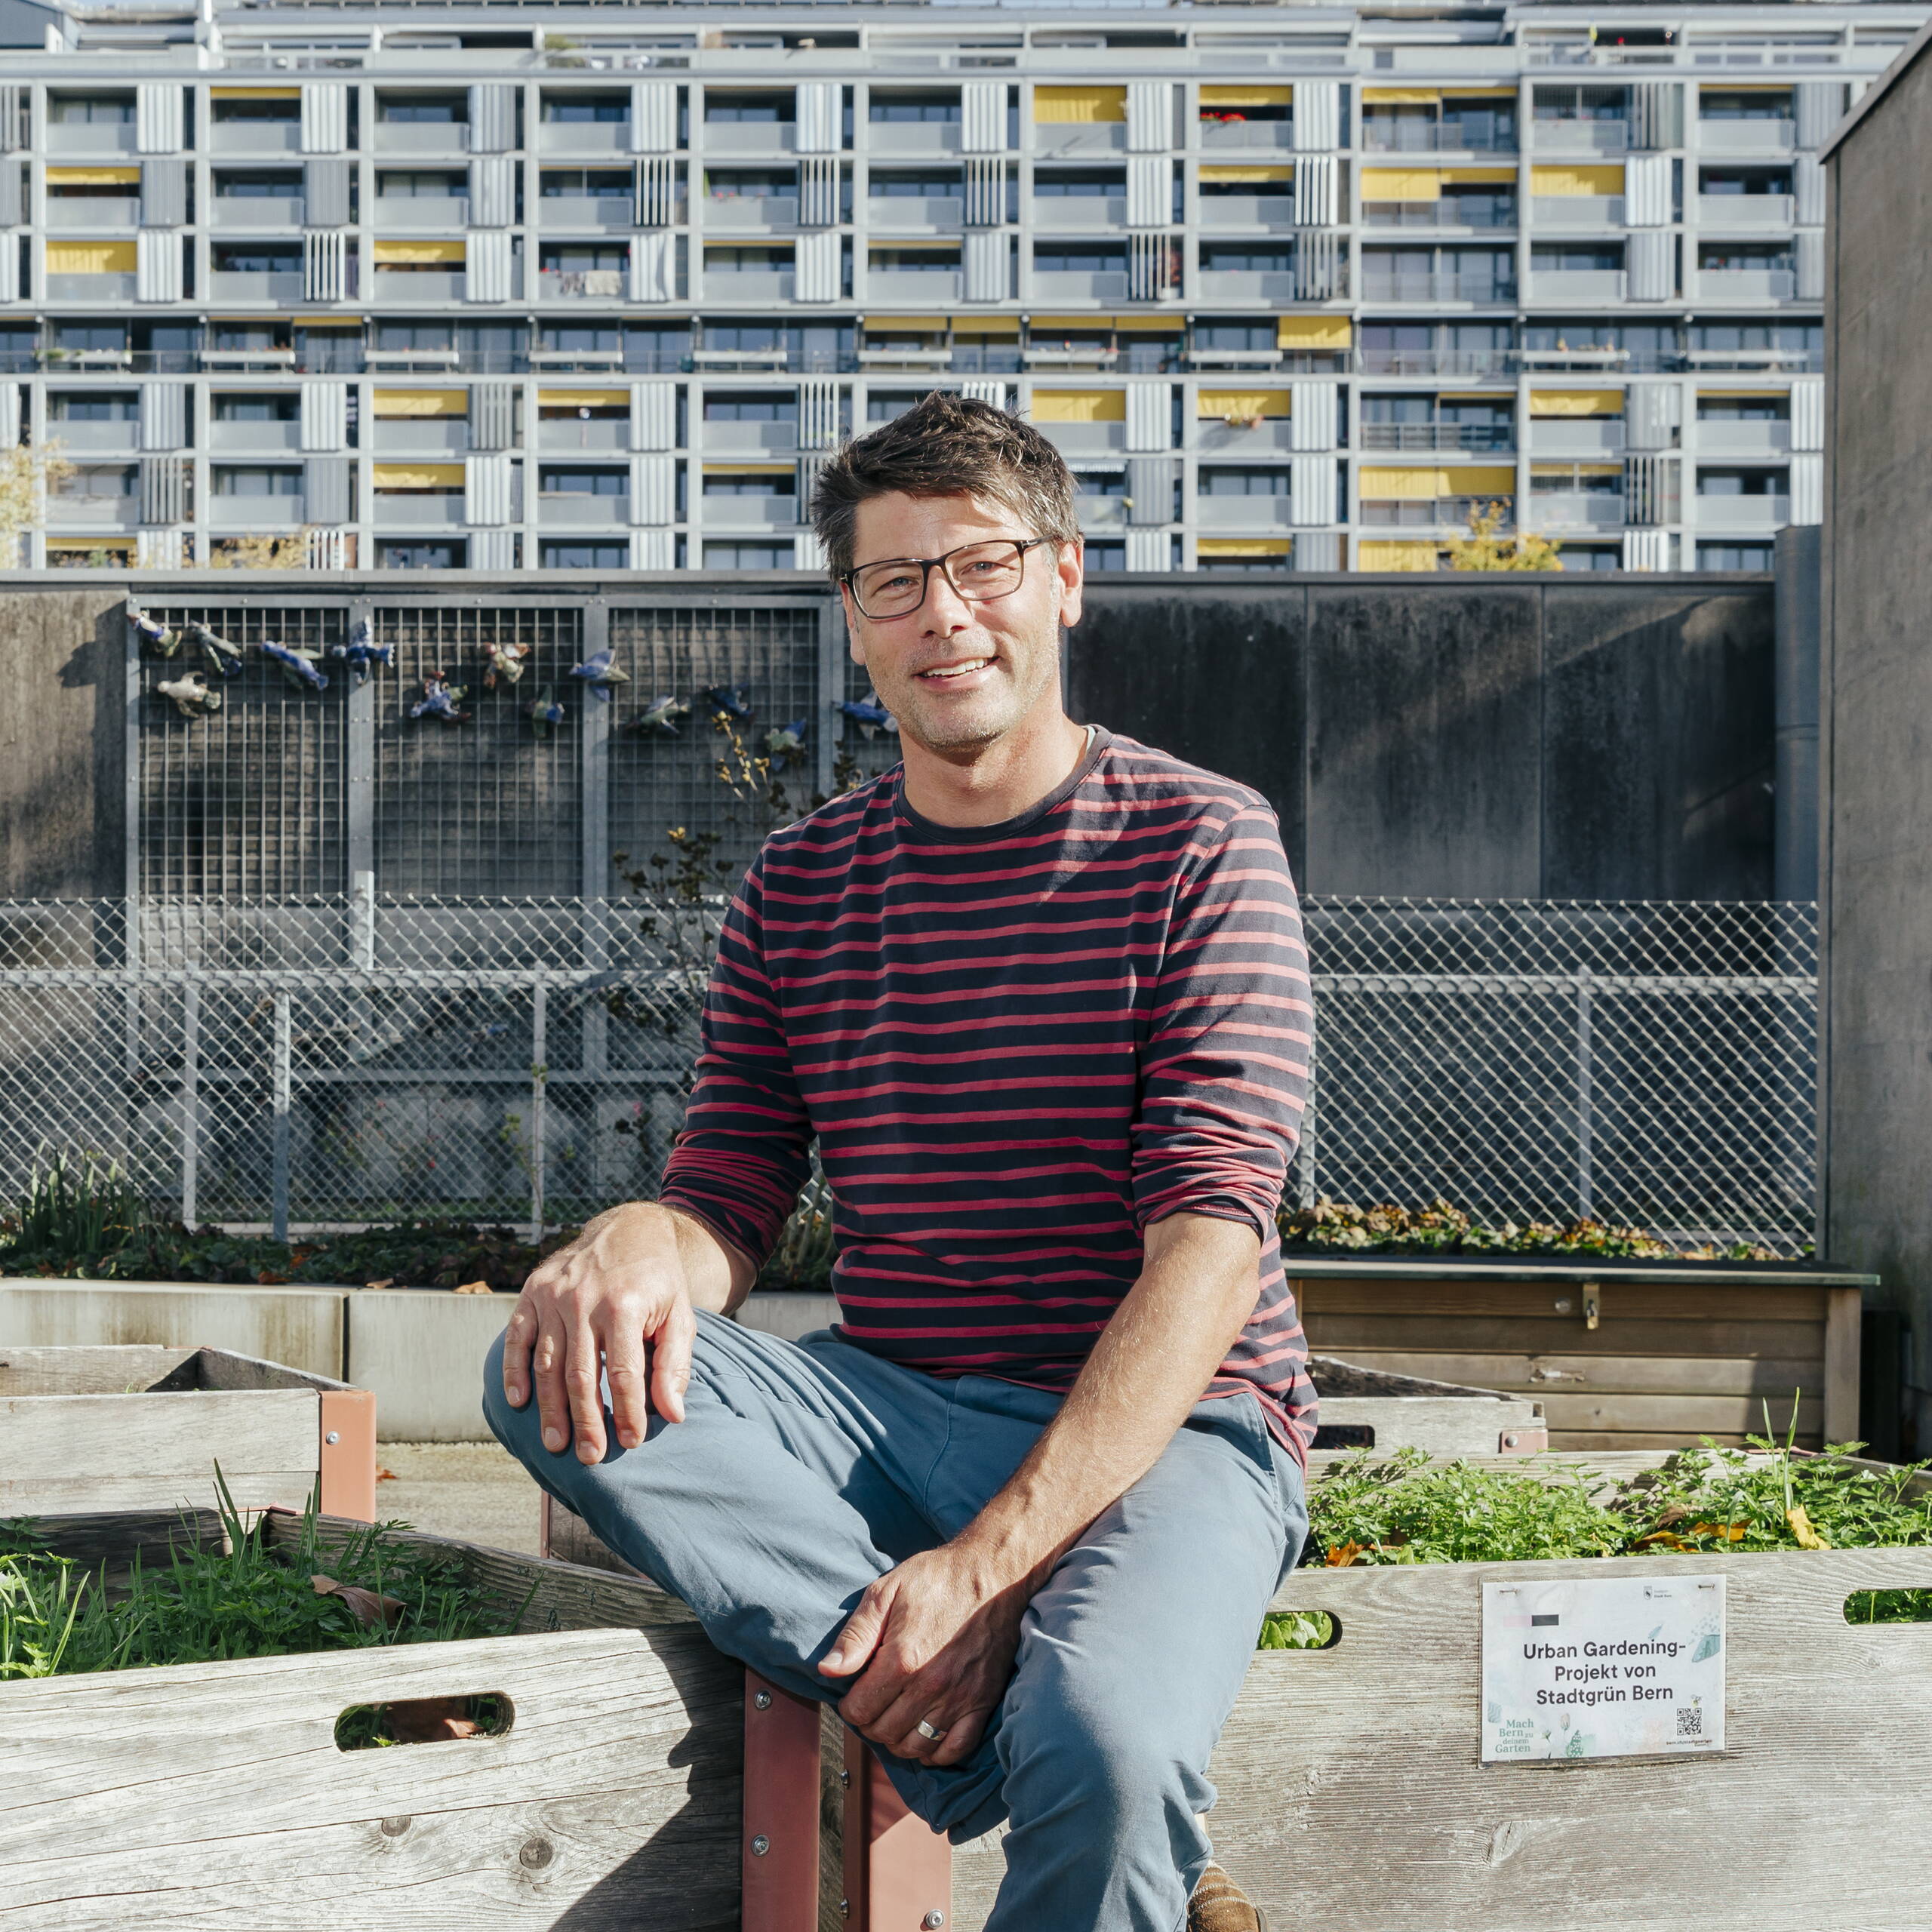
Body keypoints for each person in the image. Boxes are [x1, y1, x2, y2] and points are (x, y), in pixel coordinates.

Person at [485, 392, 1315, 1932]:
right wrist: (627, 1237)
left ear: (1063, 576)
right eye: (894, 580)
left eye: (983, 566)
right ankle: (1015, 1745)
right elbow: (727, 1204)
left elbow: (1208, 1244)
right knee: (552, 1354)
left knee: (1117, 1753)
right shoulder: (801, 885)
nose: (945, 614)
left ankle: (1057, 1748)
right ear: (854, 622)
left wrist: (993, 1565)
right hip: (896, 1402)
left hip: (1178, 1426)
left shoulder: (1201, 846)